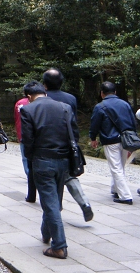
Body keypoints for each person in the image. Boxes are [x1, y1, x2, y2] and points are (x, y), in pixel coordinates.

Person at [21, 81, 76, 260]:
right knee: (54, 199)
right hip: (64, 160)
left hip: (43, 160)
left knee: (50, 201)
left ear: (29, 96)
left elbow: (27, 140)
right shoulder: (65, 107)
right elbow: (74, 133)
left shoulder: (28, 110)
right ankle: (46, 233)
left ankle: (59, 246)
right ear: (44, 92)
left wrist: (31, 159)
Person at [43, 69, 93, 222]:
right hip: (68, 142)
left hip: (47, 144)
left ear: (44, 84)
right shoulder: (70, 98)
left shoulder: (42, 99)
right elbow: (73, 121)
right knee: (69, 174)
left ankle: (56, 209)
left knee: (51, 178)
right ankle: (84, 202)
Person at [90, 81, 137, 204]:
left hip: (110, 140)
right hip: (126, 139)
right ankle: (115, 189)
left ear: (102, 93)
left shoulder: (100, 106)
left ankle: (125, 196)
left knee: (116, 168)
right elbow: (133, 122)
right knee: (120, 166)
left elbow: (95, 124)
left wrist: (93, 138)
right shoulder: (125, 104)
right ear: (115, 92)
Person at [14, 93, 32, 200]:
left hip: (23, 133)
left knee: (25, 156)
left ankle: (29, 174)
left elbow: (17, 119)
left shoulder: (20, 103)